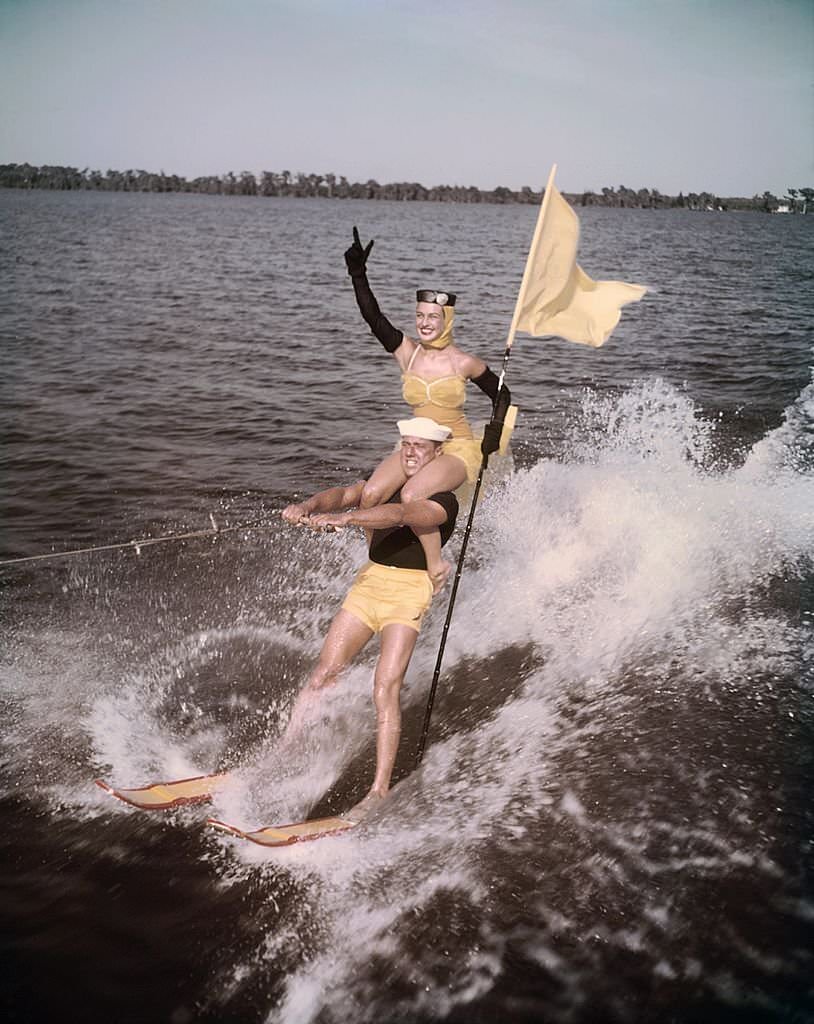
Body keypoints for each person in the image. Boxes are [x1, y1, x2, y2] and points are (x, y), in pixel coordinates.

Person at [281, 417, 459, 823]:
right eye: (407, 444)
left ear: (437, 454)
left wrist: (347, 521)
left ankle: (378, 790)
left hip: (408, 593)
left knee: (385, 685)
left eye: (421, 446)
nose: (411, 451)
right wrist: (309, 506)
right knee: (324, 673)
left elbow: (399, 514)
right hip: (369, 584)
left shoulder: (444, 499)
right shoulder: (385, 480)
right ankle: (283, 753)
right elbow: (347, 493)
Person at [344, 227, 512, 593]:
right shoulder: (408, 352)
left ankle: (435, 566)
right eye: (420, 316)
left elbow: (502, 395)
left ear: (446, 320)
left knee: (411, 496)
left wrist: (494, 432)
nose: (424, 323)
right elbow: (373, 318)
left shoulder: (464, 362)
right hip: (414, 447)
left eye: (432, 317)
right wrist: (358, 275)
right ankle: (378, 559)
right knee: (370, 495)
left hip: (455, 448)